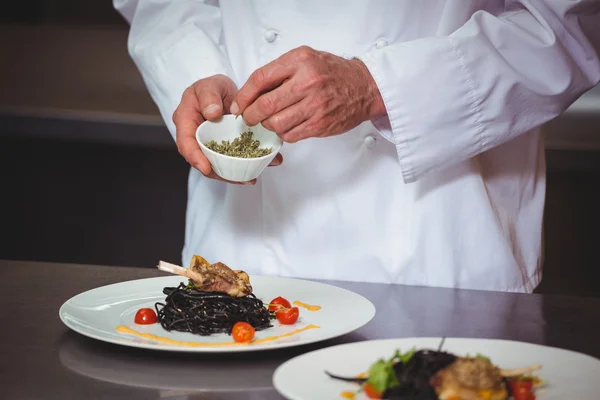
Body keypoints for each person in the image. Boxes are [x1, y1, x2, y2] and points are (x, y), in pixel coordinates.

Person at [114, 0, 600, 293]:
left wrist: (379, 87)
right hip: (244, 241)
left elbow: (571, 26)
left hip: (439, 241)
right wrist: (195, 69)